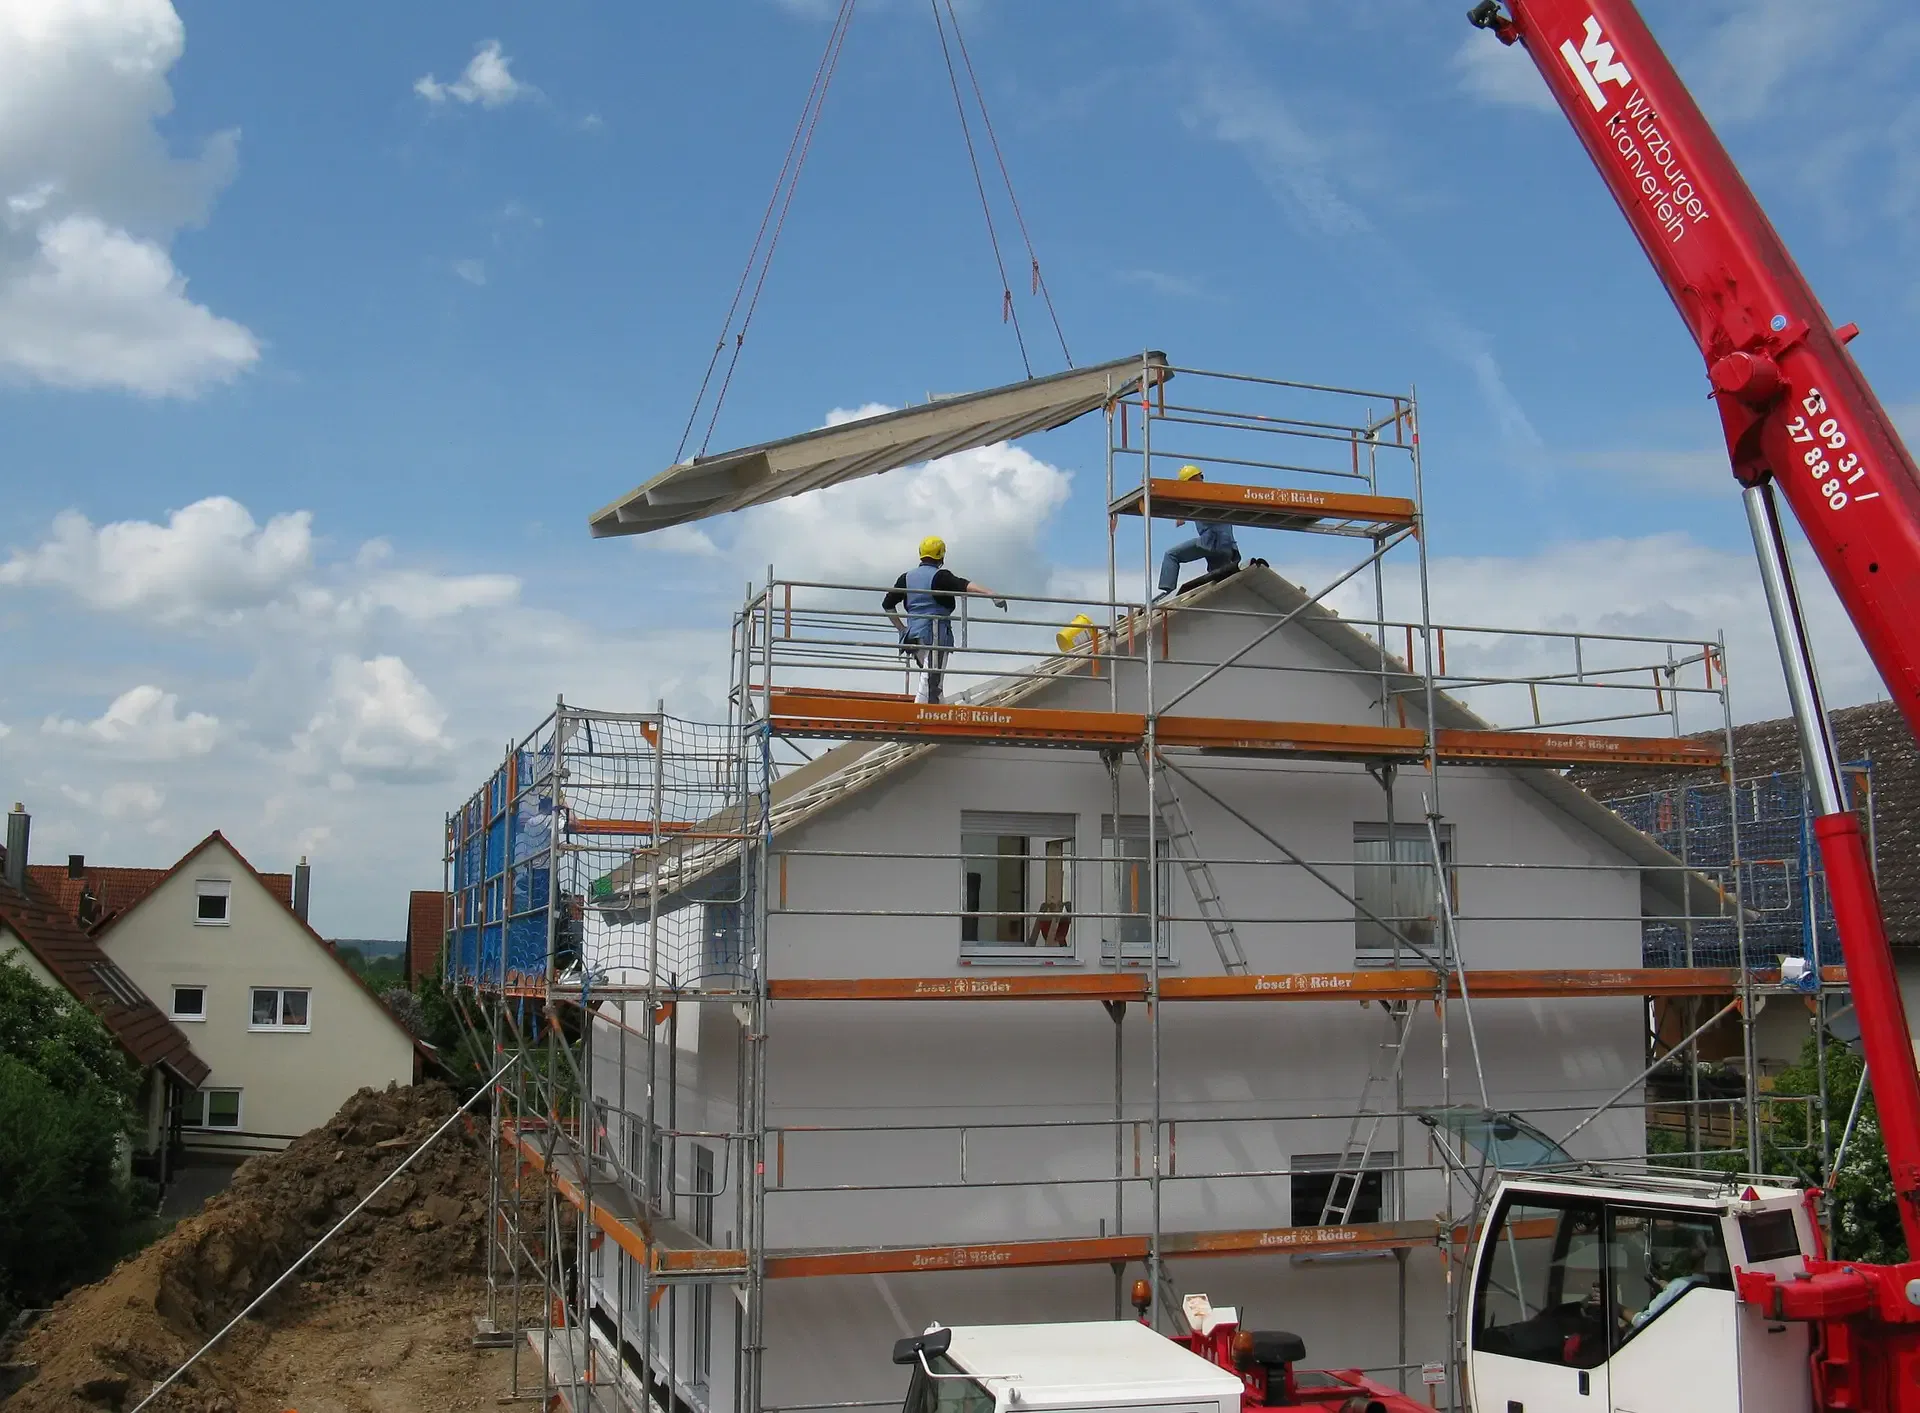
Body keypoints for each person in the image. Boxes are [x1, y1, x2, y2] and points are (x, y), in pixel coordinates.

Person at [882, 536, 1007, 704]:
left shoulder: (906, 578)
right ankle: (919, 715)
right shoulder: (940, 576)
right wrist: (992, 594)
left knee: (932, 679)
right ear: (941, 555)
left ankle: (937, 712)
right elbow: (964, 585)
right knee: (931, 682)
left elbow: (888, 604)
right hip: (935, 635)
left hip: (914, 637)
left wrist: (902, 629)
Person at [1155, 464, 1240, 599]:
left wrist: (1181, 514)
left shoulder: (1202, 493)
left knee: (1171, 555)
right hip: (1228, 548)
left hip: (1211, 542)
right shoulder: (1214, 492)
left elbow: (1189, 504)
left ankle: (1167, 592)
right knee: (1218, 580)